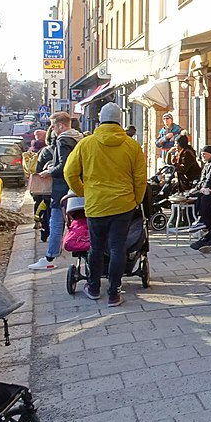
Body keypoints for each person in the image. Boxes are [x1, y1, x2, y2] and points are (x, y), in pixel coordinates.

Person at [63, 103, 147, 307]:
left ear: (100, 119)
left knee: (96, 247)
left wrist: (83, 191)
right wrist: (136, 199)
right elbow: (140, 178)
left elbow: (69, 172)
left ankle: (93, 287)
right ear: (120, 120)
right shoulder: (131, 145)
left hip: (96, 204)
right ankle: (114, 292)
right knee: (118, 248)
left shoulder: (86, 144)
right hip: (123, 205)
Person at [27, 112, 83, 271]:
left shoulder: (63, 140)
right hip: (76, 187)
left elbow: (64, 166)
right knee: (76, 222)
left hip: (62, 189)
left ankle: (50, 257)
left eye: (53, 125)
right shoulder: (78, 138)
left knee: (56, 223)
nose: (52, 129)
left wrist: (50, 171)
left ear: (61, 125)